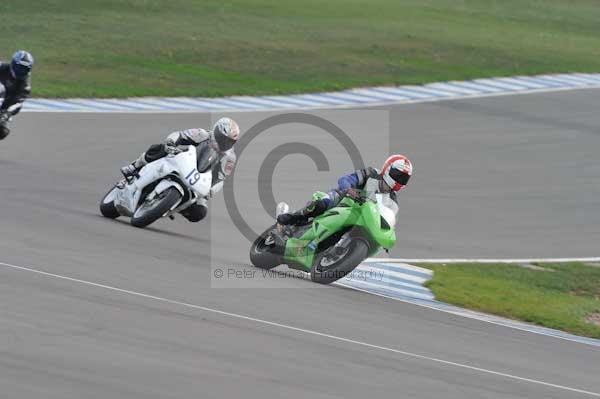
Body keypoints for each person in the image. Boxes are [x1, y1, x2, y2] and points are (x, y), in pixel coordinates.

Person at [120, 117, 240, 222]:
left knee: (200, 212)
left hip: (198, 179)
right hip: (182, 160)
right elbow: (179, 135)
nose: (224, 143)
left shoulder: (229, 158)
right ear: (216, 131)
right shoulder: (202, 134)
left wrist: (210, 191)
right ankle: (134, 166)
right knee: (159, 148)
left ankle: (172, 205)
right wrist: (171, 143)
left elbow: (221, 178)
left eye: (228, 141)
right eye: (222, 138)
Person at [277, 154, 413, 225]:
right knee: (323, 203)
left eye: (404, 179)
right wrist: (349, 189)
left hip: (361, 218)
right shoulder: (371, 173)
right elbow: (346, 179)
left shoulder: (393, 201)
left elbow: (389, 220)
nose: (399, 180)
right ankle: (292, 218)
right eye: (398, 175)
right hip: (343, 200)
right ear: (388, 168)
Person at [0, 50, 34, 140]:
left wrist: (6, 114)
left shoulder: (25, 85)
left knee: (2, 132)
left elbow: (18, 103)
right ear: (13, 63)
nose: (21, 71)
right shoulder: (2, 67)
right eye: (19, 67)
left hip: (3, 109)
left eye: (25, 69)